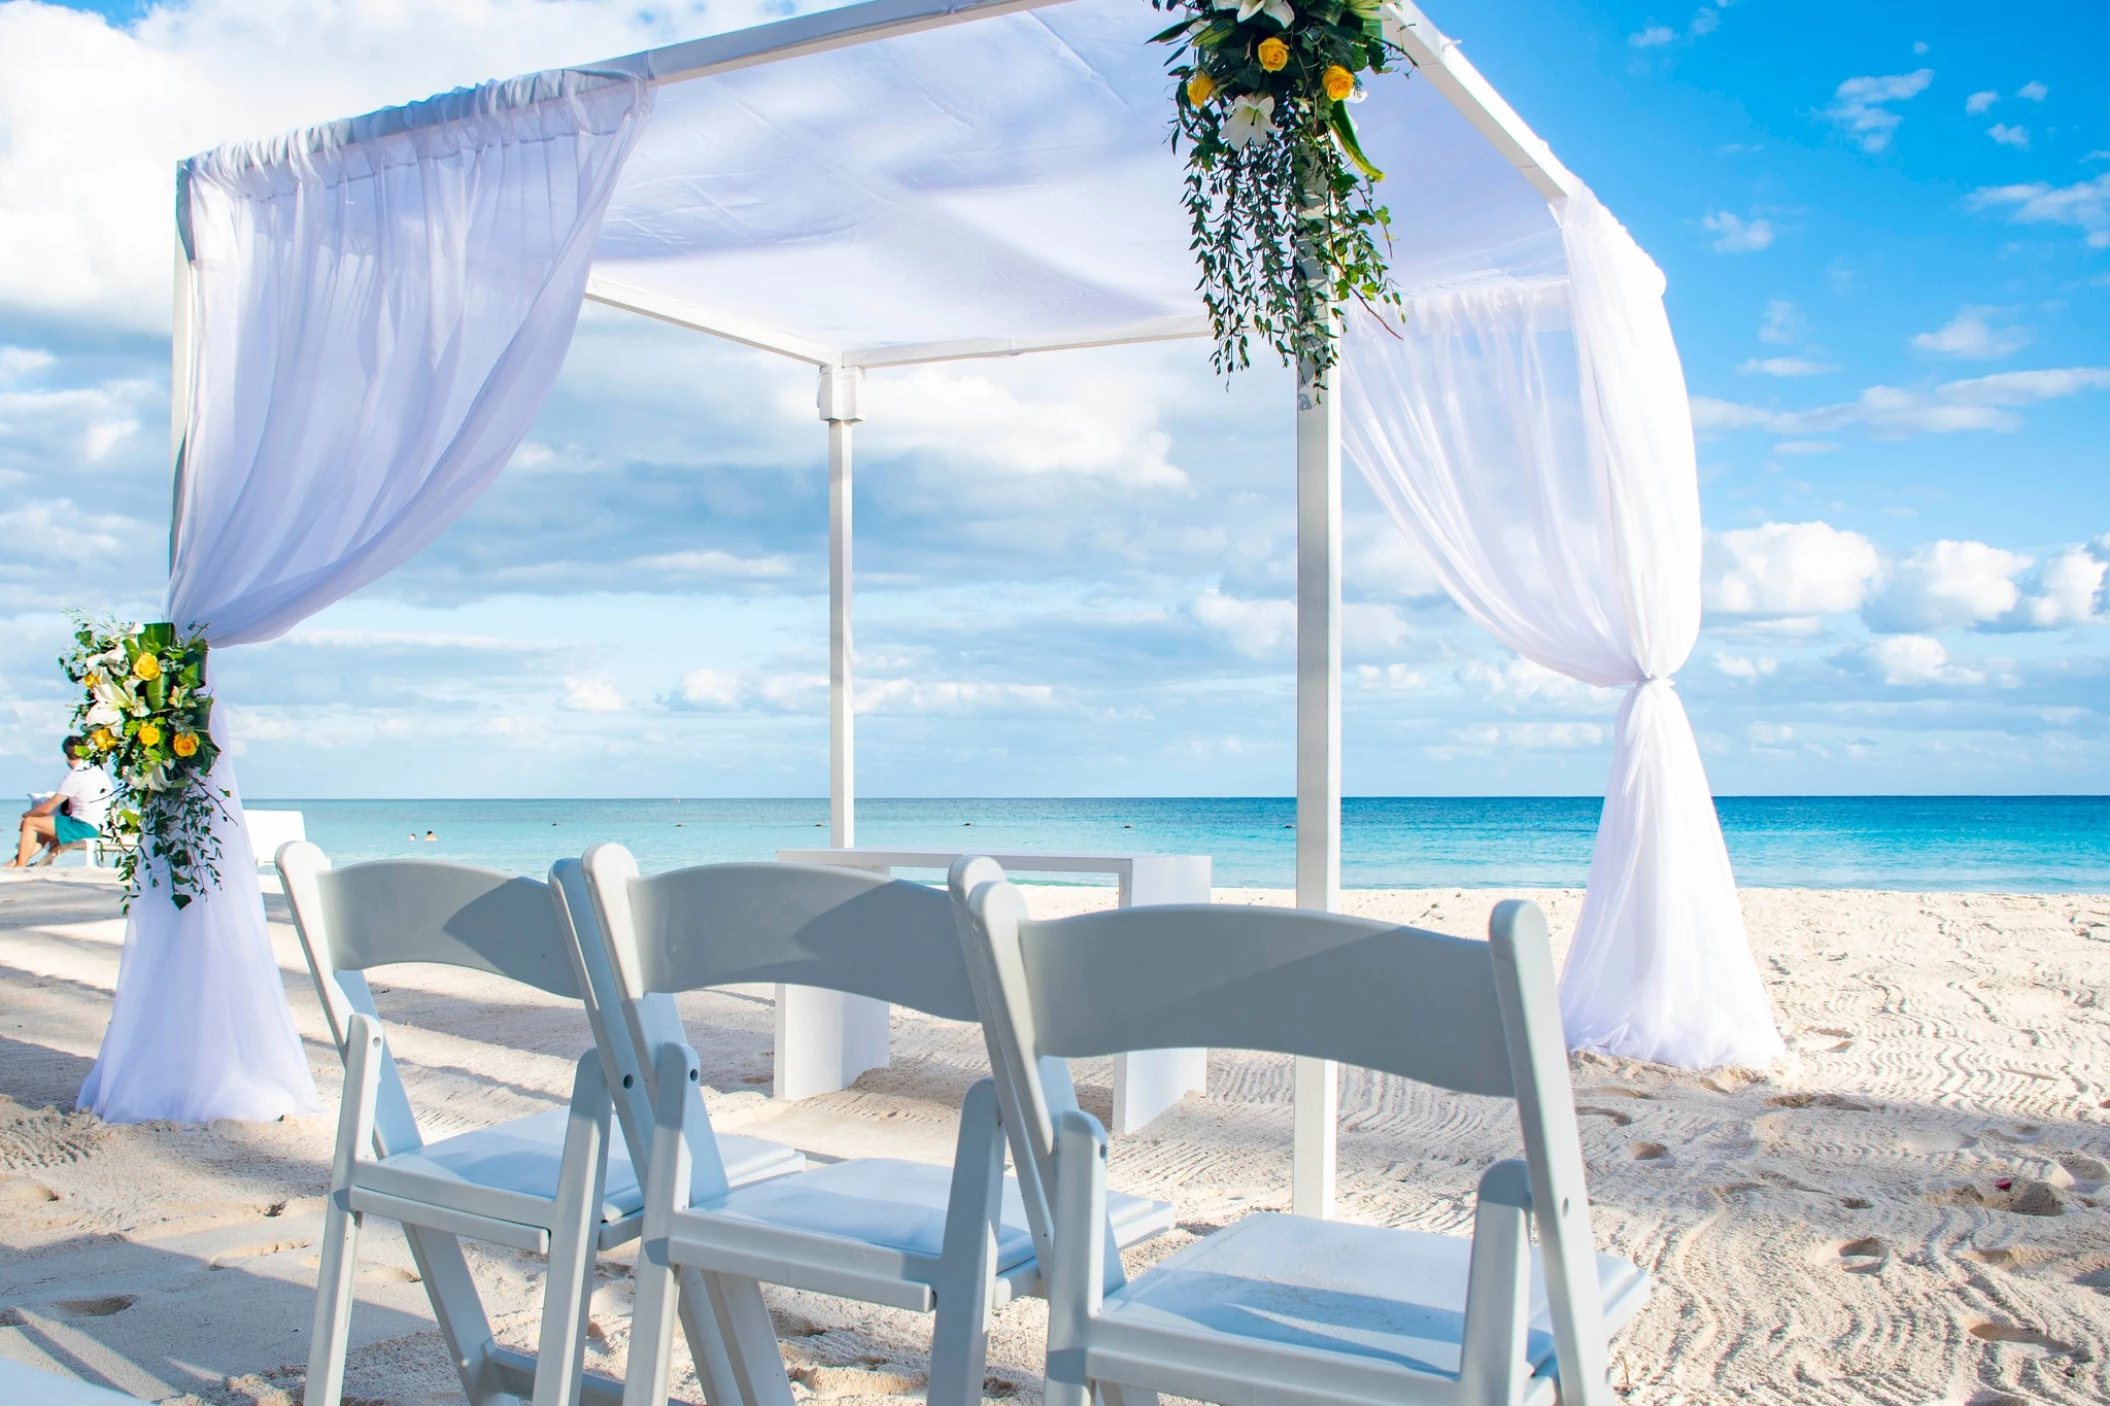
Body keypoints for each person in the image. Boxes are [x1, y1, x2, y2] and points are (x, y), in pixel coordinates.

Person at [10, 736, 115, 868]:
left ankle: (20, 867)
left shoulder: (77, 774)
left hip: (86, 827)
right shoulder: (97, 770)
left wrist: (25, 815)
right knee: (44, 832)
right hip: (102, 828)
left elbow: (45, 809)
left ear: (66, 757)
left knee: (30, 823)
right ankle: (11, 865)